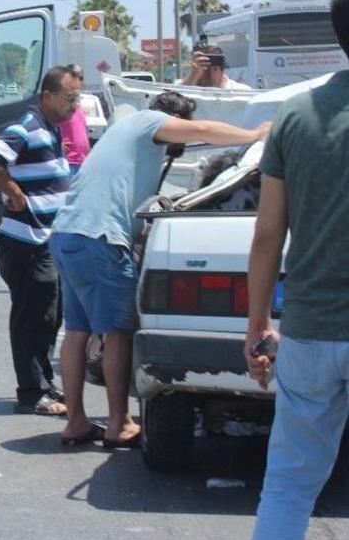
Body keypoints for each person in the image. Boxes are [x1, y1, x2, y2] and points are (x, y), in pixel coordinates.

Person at [49, 91, 268, 448]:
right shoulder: (147, 122)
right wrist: (254, 134)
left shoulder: (127, 138)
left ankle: (76, 422)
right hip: (100, 238)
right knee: (117, 332)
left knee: (77, 331)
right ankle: (119, 423)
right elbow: (205, 128)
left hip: (68, 233)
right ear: (173, 121)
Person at [246, 0, 349, 540]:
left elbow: (268, 235)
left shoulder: (295, 115)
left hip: (310, 331)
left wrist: (257, 325)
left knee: (287, 484)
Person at [0, 66, 82, 417]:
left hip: (45, 242)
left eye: (77, 98)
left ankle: (44, 382)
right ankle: (31, 391)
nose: (74, 105)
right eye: (69, 98)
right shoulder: (28, 127)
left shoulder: (51, 129)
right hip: (26, 243)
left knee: (50, 316)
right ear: (47, 96)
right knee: (31, 318)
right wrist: (12, 191)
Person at [57, 64, 91, 177]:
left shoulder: (79, 105)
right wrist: (58, 142)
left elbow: (83, 132)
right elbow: (46, 123)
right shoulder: (60, 102)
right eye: (73, 77)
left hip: (83, 163)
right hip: (69, 163)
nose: (77, 81)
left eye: (80, 78)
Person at [179, 47, 252, 89]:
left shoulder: (241, 91)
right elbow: (175, 101)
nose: (208, 71)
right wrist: (194, 75)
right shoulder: (186, 86)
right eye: (202, 65)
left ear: (221, 69)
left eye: (213, 68)